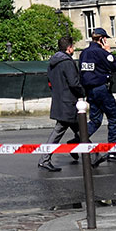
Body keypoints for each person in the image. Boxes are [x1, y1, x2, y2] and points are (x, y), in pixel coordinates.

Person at [80, 26, 116, 166]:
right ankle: (113, 151)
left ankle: (79, 139)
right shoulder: (101, 52)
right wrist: (108, 52)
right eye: (105, 38)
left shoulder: (84, 53)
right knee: (113, 118)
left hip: (89, 90)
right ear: (101, 39)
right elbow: (114, 66)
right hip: (102, 89)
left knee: (95, 120)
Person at [38, 36, 82, 172]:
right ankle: (44, 159)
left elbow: (50, 82)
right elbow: (74, 83)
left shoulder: (53, 62)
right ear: (69, 48)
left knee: (81, 130)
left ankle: (93, 156)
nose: (73, 49)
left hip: (59, 99)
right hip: (68, 102)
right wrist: (83, 92)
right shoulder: (67, 62)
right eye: (73, 46)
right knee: (60, 130)